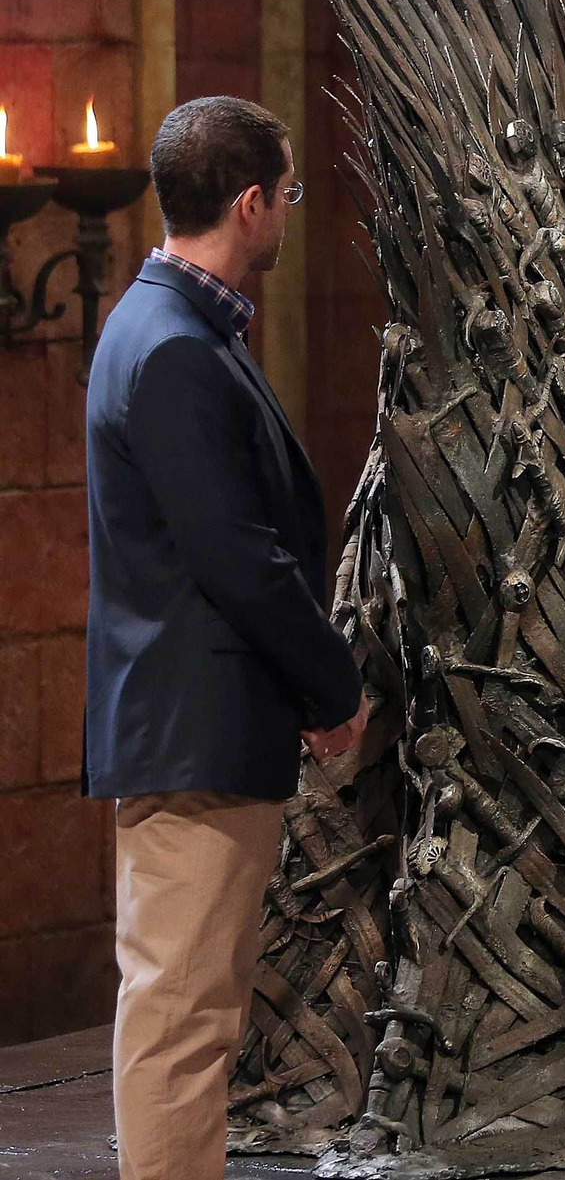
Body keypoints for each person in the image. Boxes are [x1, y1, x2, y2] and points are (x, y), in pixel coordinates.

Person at [84, 96, 370, 1180]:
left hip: (197, 723)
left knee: (195, 1003)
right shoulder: (171, 346)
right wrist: (331, 683)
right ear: (251, 203)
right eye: (289, 191)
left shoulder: (173, 326)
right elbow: (238, 553)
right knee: (182, 1013)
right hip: (192, 723)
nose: (290, 209)